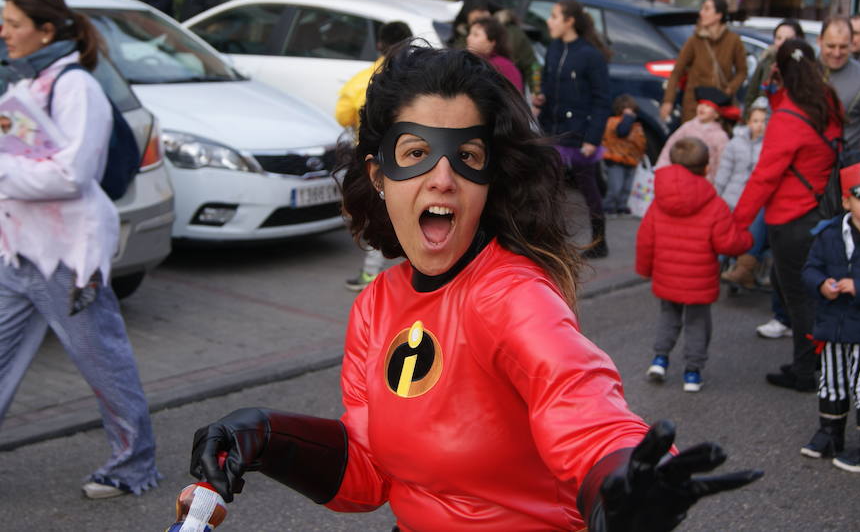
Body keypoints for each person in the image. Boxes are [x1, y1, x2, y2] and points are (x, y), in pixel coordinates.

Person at [189, 45, 761, 531]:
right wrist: (266, 436)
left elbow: (586, 411)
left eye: (466, 157)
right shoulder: (375, 306)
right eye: (416, 154)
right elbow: (371, 471)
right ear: (379, 176)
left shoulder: (513, 297)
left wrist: (620, 479)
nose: (443, 177)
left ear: (488, 181)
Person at [0, 0, 159, 499]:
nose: (3, 32)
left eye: (14, 24)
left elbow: (73, 175)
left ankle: (133, 464)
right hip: (18, 251)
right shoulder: (23, 85)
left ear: (46, 30)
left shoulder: (78, 88)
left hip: (70, 259)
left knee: (103, 362)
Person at [732, 39, 844, 392]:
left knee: (798, 297)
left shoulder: (788, 117)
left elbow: (765, 176)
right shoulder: (827, 100)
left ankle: (806, 371)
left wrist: (736, 222)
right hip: (823, 211)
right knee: (810, 292)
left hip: (792, 218)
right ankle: (819, 363)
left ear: (778, 71)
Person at [800, 158, 860, 472]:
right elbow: (809, 269)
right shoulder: (828, 234)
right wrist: (821, 284)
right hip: (831, 324)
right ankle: (830, 434)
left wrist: (859, 288)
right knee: (830, 380)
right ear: (846, 201)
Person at [638, 137, 752, 392]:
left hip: (667, 275)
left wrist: (646, 269)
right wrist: (747, 239)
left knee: (668, 315)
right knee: (697, 323)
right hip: (699, 279)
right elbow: (728, 243)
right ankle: (692, 372)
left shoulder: (659, 201)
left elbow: (646, 238)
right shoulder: (714, 204)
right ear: (706, 167)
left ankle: (660, 359)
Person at [335, 22, 413, 291]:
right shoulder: (421, 80)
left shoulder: (364, 80)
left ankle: (370, 274)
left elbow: (342, 116)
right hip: (415, 164)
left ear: (380, 44)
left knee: (377, 218)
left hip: (374, 163)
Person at [534, 0, 611, 258]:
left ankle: (599, 241)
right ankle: (548, 240)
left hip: (579, 133)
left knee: (587, 187)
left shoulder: (590, 55)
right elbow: (547, 82)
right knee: (549, 187)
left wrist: (593, 137)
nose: (549, 21)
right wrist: (541, 99)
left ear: (570, 21)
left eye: (554, 16)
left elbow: (602, 100)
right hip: (552, 129)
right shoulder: (554, 48)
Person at [660, 0, 746, 124]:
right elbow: (677, 72)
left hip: (719, 106)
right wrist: (668, 101)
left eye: (706, 9)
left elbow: (742, 71)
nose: (701, 13)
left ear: (718, 15)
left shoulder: (733, 41)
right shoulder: (695, 40)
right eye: (702, 9)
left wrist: (729, 89)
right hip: (694, 106)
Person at [716, 98, 768, 288]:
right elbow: (723, 173)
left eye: (764, 121)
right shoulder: (735, 143)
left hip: (754, 200)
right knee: (725, 230)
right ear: (748, 122)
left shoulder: (769, 145)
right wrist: (717, 196)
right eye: (756, 121)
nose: (759, 126)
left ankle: (742, 267)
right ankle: (719, 263)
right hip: (732, 197)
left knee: (751, 229)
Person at [818, 15, 860, 155]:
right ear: (820, 41)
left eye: (843, 47)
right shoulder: (804, 71)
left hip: (846, 165)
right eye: (831, 46)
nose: (836, 53)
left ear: (851, 44)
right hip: (804, 167)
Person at [655, 86, 735, 183]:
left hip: (703, 182)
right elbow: (670, 146)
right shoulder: (687, 127)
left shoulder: (720, 136)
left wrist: (716, 185)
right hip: (678, 177)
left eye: (708, 106)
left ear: (716, 114)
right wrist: (661, 168)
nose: (702, 108)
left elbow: (722, 163)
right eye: (701, 104)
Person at [743, 18, 804, 112]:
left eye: (788, 39)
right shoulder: (767, 61)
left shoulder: (804, 68)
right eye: (778, 38)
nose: (782, 43)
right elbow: (751, 94)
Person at [601, 93, 646, 216]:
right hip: (616, 159)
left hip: (631, 160)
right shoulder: (614, 122)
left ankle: (622, 205)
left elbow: (640, 142)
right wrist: (627, 118)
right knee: (615, 187)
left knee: (627, 187)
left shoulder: (635, 124)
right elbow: (622, 132)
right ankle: (608, 205)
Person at [466, 16, 523, 92]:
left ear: (492, 42)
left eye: (476, 35)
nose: (468, 38)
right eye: (469, 34)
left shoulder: (502, 66)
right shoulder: (472, 61)